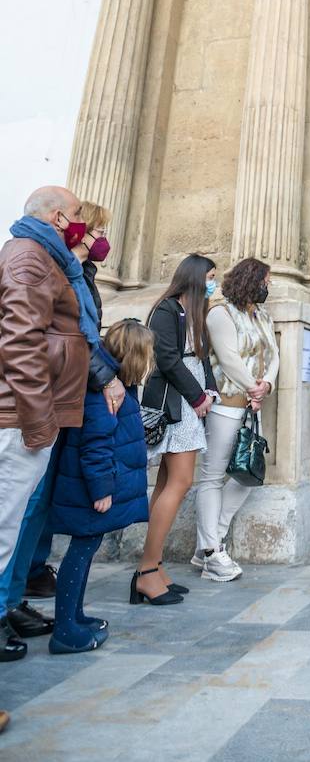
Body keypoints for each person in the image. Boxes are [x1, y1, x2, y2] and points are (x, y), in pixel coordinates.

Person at [0, 187, 92, 666]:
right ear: (59, 218)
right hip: (22, 419)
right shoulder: (30, 258)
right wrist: (39, 423)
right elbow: (19, 343)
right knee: (3, 526)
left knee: (13, 525)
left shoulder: (44, 256)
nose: (81, 223)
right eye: (77, 215)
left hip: (33, 416)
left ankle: (6, 608)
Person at [21, 200, 120, 621]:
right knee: (30, 499)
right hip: (54, 396)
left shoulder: (83, 273)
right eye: (96, 230)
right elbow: (77, 335)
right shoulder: (56, 271)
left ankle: (28, 576)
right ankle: (15, 588)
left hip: (71, 393)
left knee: (42, 497)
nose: (101, 240)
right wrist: (106, 376)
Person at [51, 319, 153, 653]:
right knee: (79, 552)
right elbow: (95, 446)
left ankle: (75, 616)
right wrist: (102, 489)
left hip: (91, 487)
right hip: (88, 490)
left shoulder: (118, 387)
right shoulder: (103, 395)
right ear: (137, 356)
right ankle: (64, 630)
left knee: (86, 548)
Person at [193, 256, 280, 582]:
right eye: (265, 281)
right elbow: (228, 356)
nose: (267, 287)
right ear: (250, 280)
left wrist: (266, 385)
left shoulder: (262, 316)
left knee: (247, 475)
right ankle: (213, 552)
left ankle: (211, 541)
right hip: (226, 405)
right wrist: (251, 387)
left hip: (250, 406)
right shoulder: (220, 313)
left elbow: (273, 354)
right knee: (213, 476)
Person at [137, 254, 217, 604]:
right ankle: (146, 571)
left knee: (168, 483)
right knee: (181, 482)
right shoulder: (166, 310)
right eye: (211, 276)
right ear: (196, 277)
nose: (215, 282)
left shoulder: (197, 312)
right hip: (177, 402)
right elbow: (168, 359)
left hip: (193, 399)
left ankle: (153, 566)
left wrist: (210, 391)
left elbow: (204, 358)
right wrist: (198, 396)